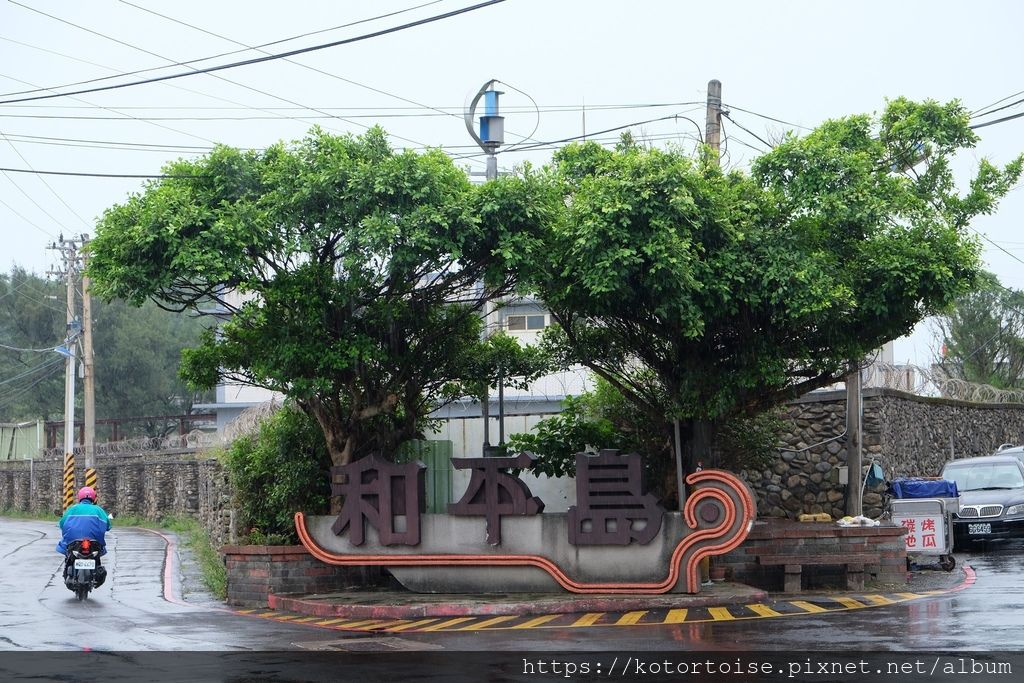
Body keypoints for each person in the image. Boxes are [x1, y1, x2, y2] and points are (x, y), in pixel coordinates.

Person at [57, 486, 111, 588]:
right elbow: (108, 525)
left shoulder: (72, 509)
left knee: (66, 549)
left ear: (80, 497)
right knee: (100, 552)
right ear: (93, 498)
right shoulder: (98, 510)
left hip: (74, 543)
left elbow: (62, 524)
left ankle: (69, 572)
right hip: (94, 544)